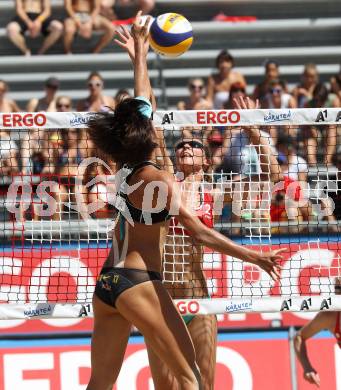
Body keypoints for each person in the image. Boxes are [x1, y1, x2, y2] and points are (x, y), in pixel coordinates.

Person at [86, 13, 284, 390]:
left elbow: (143, 104)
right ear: (153, 141)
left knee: (100, 384)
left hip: (109, 282)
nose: (184, 146)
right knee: (189, 380)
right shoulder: (161, 179)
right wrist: (254, 257)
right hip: (140, 284)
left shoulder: (126, 167)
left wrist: (140, 55)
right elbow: (198, 231)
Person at [294, 278, 341, 387]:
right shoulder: (330, 317)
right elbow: (299, 337)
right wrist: (307, 368)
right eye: (337, 288)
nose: (338, 292)